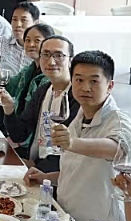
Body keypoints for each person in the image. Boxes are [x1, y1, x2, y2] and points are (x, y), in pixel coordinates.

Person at [38, 50, 131, 221]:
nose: (85, 88)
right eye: (79, 80)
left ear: (110, 85)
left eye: (94, 81)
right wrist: (45, 177)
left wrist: (72, 143)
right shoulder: (80, 116)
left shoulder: (120, 120)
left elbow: (117, 149)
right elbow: (79, 169)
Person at [7, 35, 78, 174]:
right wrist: (9, 109)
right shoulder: (43, 91)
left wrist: (37, 166)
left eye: (59, 55)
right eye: (45, 55)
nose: (51, 62)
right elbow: (20, 134)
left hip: (59, 175)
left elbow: (70, 150)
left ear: (70, 60)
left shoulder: (77, 97)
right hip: (36, 167)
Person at [0, 22, 55, 137]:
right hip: (16, 126)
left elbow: (36, 119)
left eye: (37, 40)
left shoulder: (48, 78)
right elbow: (8, 88)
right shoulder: (28, 70)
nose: (31, 44)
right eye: (27, 40)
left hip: (32, 135)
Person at [0, 1, 41, 81]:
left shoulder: (40, 51)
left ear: (36, 23)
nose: (18, 24)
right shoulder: (2, 43)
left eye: (23, 20)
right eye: (14, 19)